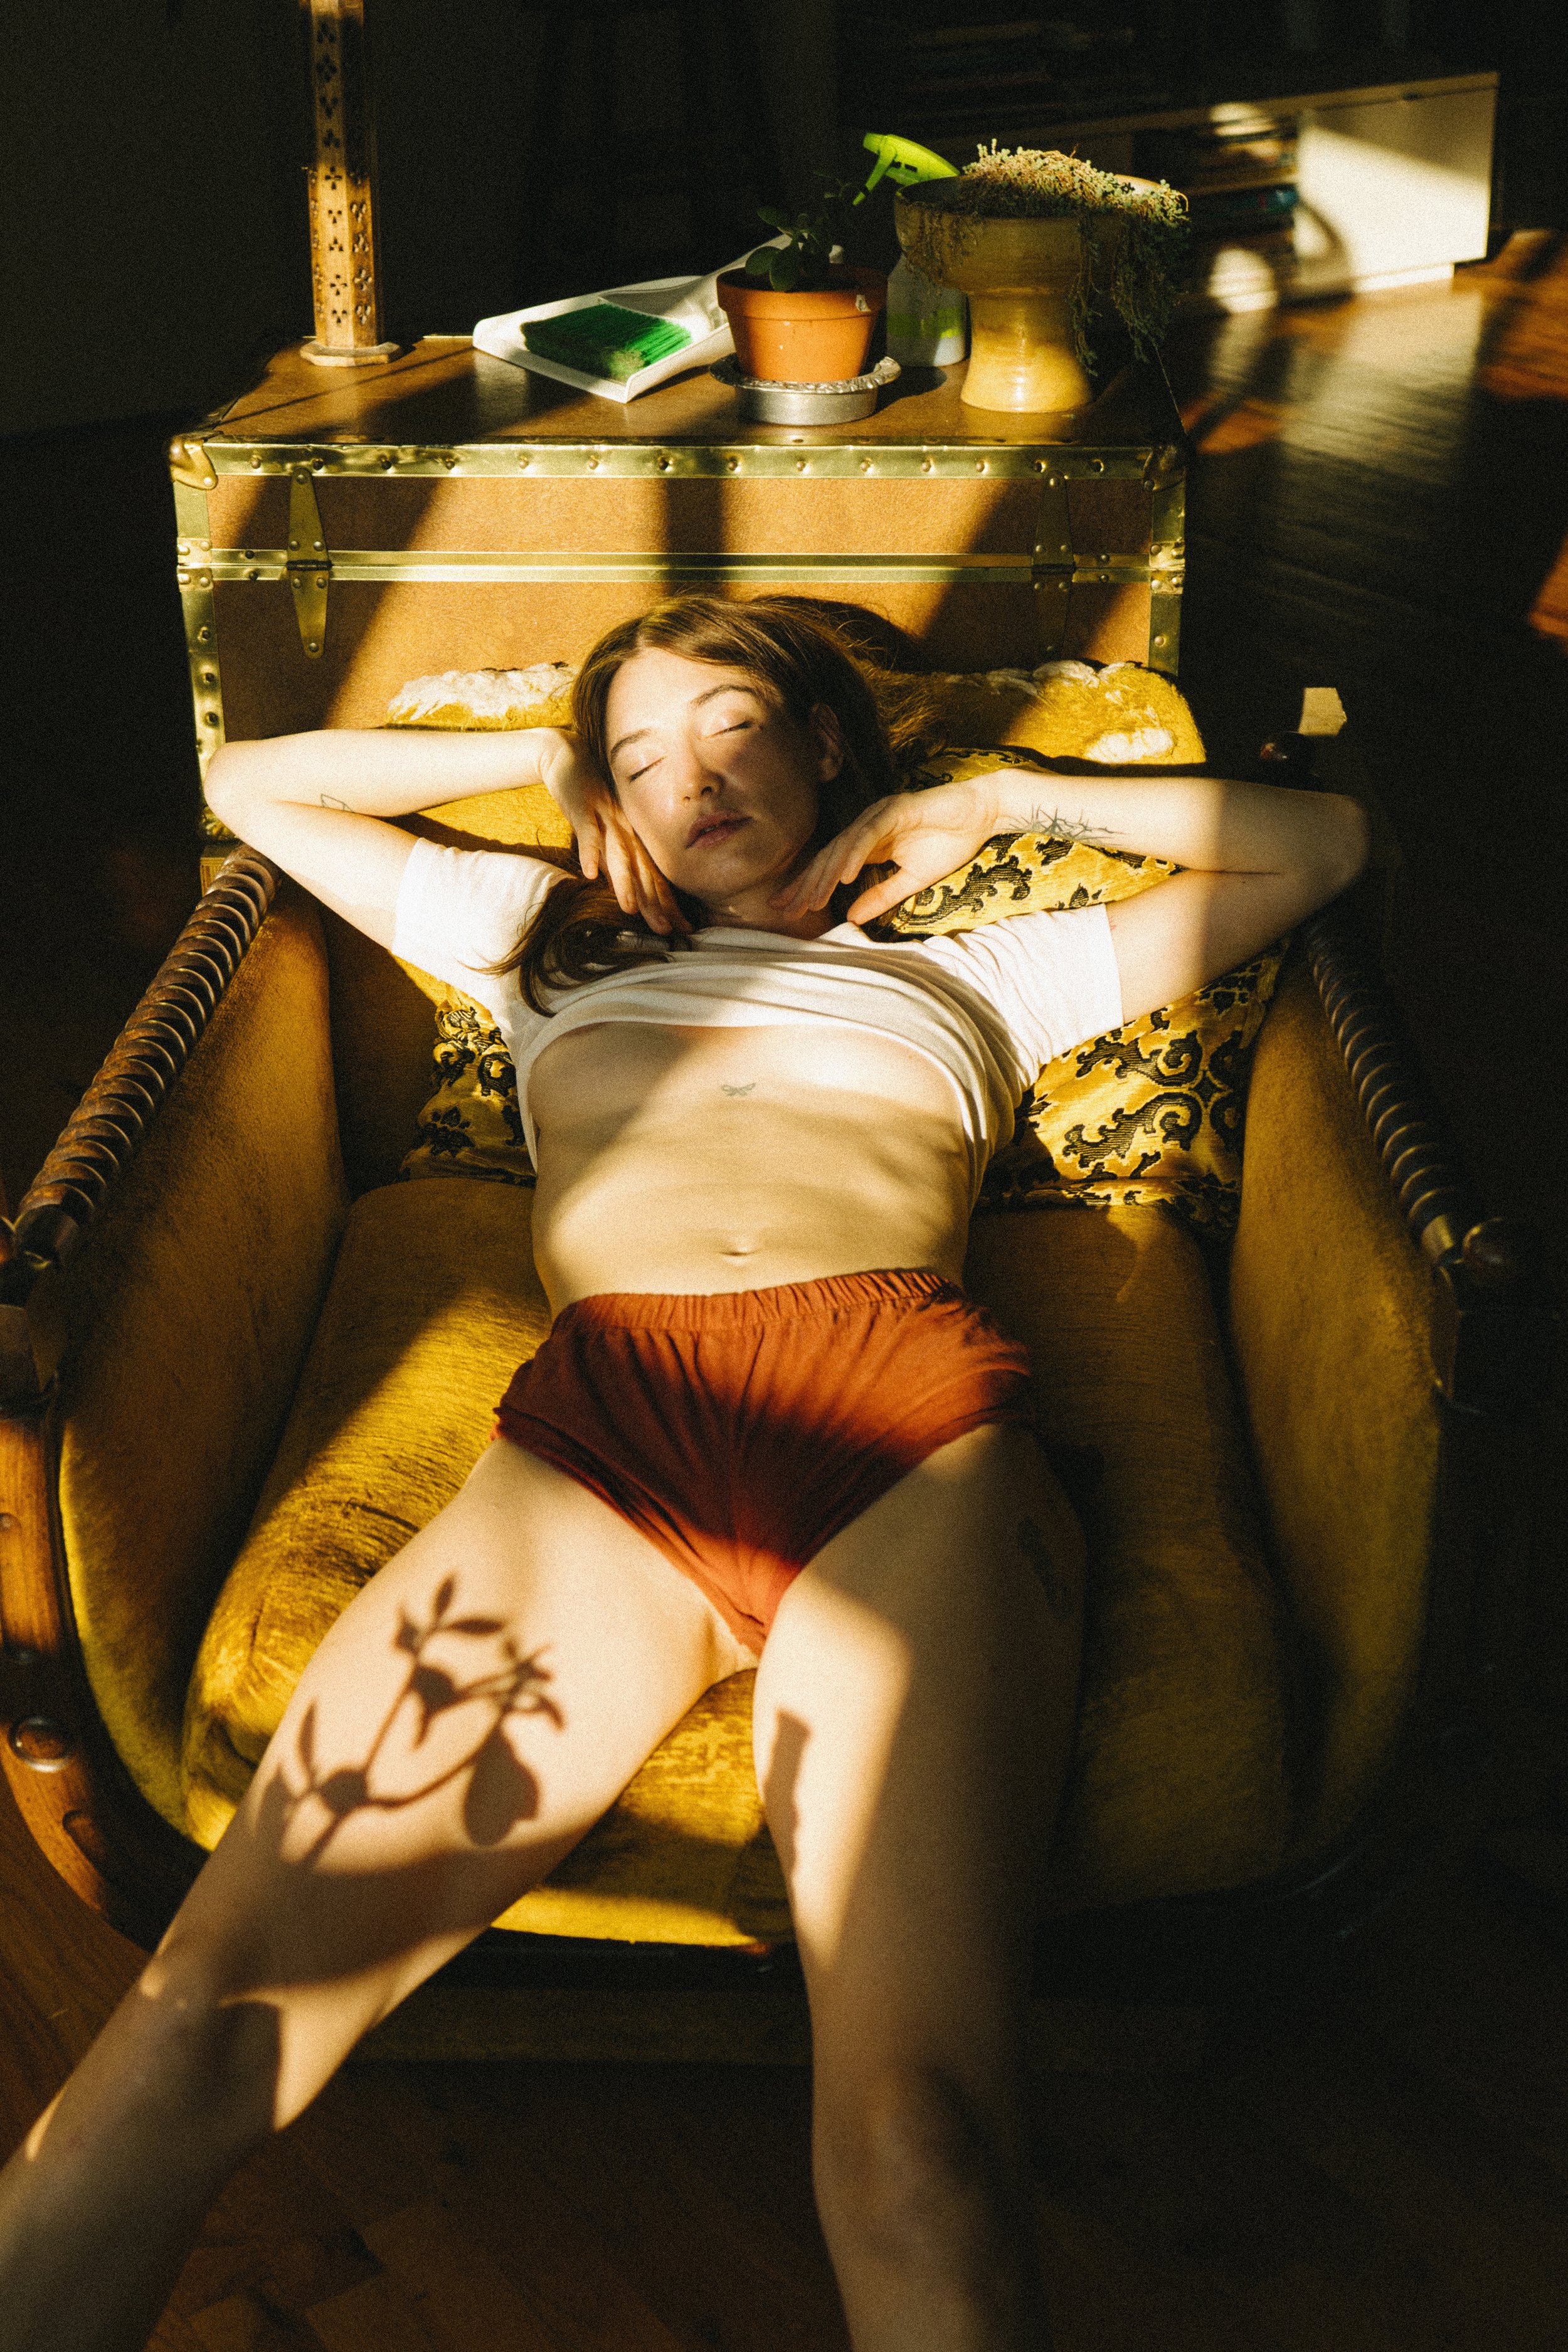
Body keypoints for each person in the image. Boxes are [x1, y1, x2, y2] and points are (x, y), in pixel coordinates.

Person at [0, 596, 1367, 2352]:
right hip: (605, 1439)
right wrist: (530, 759)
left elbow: (1321, 841)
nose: (689, 779)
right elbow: (247, 779)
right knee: (200, 2024)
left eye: (732, 729)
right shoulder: (533, 940)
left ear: (824, 747)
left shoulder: (974, 965)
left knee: (918, 2142)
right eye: (639, 756)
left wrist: (990, 801)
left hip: (906, 1430)